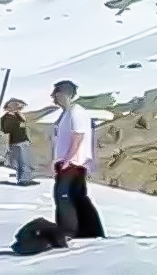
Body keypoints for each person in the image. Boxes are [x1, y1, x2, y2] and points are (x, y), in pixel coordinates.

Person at [50, 80, 105, 239]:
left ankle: (69, 231)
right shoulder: (67, 113)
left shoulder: (76, 111)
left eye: (56, 93)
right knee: (77, 196)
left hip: (74, 163)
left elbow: (78, 135)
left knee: (64, 196)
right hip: (70, 162)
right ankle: (90, 231)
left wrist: (68, 160)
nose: (53, 97)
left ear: (64, 93)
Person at [0, 98, 36, 186]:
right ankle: (23, 180)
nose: (19, 107)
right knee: (22, 161)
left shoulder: (18, 115)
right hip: (15, 141)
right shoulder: (5, 117)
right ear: (9, 106)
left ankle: (24, 179)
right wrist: (17, 124)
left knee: (25, 161)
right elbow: (5, 129)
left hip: (23, 140)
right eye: (16, 105)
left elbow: (24, 123)